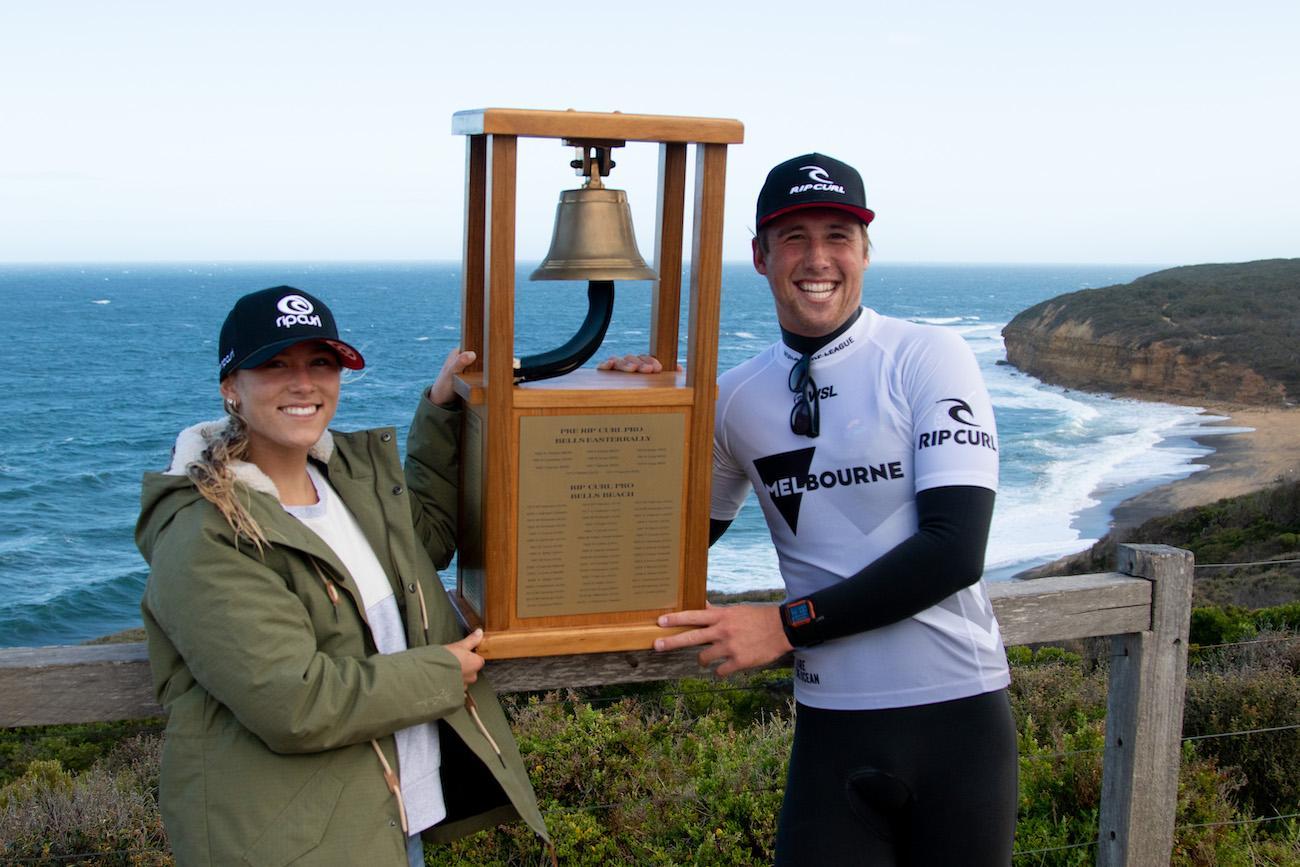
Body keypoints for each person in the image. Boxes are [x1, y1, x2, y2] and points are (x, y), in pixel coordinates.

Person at [603, 153, 1017, 864]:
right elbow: (655, 562)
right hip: (832, 731)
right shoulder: (734, 398)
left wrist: (786, 625)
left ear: (864, 253)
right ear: (760, 256)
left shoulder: (927, 357)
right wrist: (645, 412)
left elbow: (953, 550)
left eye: (837, 234)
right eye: (794, 236)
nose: (817, 257)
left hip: (959, 721)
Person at [136, 286, 548, 867]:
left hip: (384, 819)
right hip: (288, 843)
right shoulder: (204, 531)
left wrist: (445, 407)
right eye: (274, 364)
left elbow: (424, 540)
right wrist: (443, 672)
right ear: (231, 388)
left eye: (320, 363)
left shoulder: (345, 482)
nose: (302, 383)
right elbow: (294, 704)